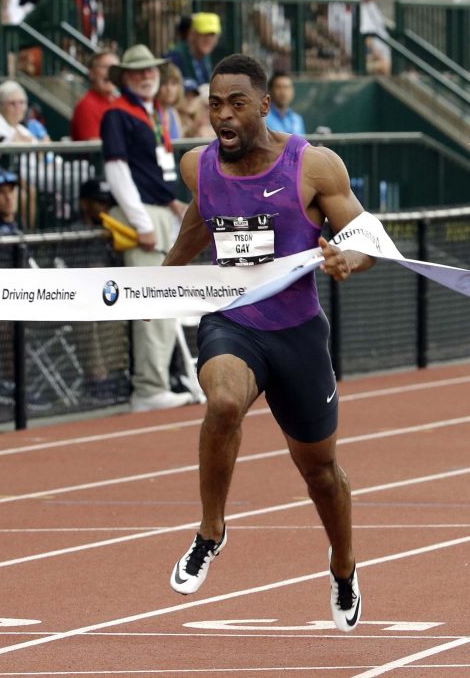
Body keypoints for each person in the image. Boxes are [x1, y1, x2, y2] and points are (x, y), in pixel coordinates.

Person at [162, 53, 375, 632]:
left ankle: (343, 564)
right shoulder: (197, 168)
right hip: (233, 321)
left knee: (320, 472)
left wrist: (348, 258)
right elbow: (194, 232)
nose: (221, 115)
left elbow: (366, 237)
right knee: (224, 401)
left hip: (298, 333)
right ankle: (211, 530)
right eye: (213, 103)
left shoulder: (313, 167)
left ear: (263, 105)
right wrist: (145, 288)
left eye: (235, 103)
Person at [101, 44, 192, 413]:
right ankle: (149, 386)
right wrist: (141, 222)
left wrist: (172, 203)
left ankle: (159, 381)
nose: (146, 76)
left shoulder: (152, 113)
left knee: (165, 300)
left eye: (151, 70)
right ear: (124, 77)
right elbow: (118, 170)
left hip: (159, 212)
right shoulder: (118, 114)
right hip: (142, 217)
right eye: (137, 71)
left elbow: (151, 170)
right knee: (150, 303)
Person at [71, 50, 120, 141]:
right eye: (105, 67)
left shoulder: (120, 102)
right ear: (92, 73)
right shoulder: (87, 106)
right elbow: (95, 147)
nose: (110, 72)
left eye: (114, 68)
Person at [167, 12, 222, 87]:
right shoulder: (175, 57)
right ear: (192, 34)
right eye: (204, 35)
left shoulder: (205, 56)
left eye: (212, 35)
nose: (209, 40)